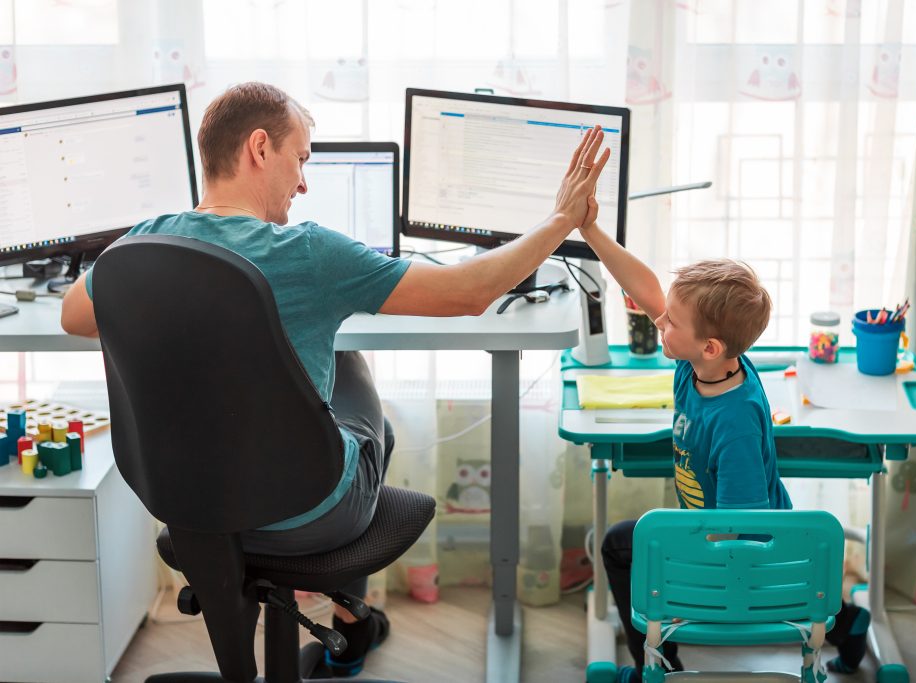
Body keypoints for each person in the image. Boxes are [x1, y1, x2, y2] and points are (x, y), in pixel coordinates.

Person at [60, 81, 610, 676]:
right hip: (305, 514)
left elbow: (74, 316)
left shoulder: (142, 241)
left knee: (334, 371)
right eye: (300, 160)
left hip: (185, 503)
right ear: (260, 148)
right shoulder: (310, 254)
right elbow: (470, 292)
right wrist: (561, 220)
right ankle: (351, 616)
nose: (303, 183)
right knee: (357, 386)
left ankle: (321, 616)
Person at [575, 214, 868, 680]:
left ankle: (657, 663)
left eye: (670, 321)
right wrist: (590, 232)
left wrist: (677, 560)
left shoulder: (734, 426)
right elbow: (647, 288)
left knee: (621, 544)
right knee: (642, 541)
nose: (659, 321)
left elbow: (741, 533)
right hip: (725, 532)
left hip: (747, 554)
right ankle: (849, 623)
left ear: (709, 346)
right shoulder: (704, 363)